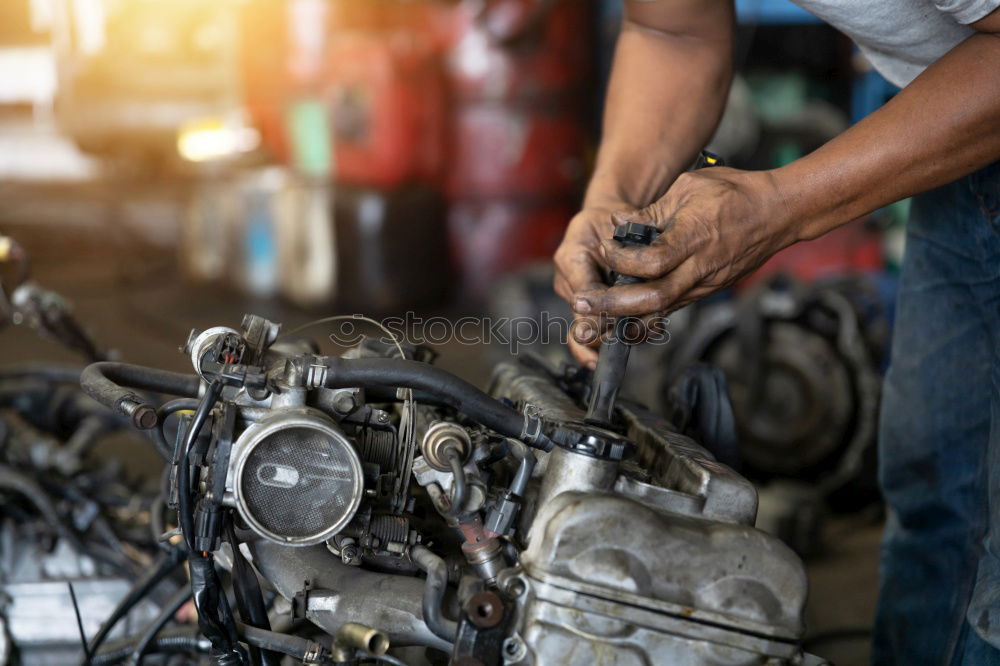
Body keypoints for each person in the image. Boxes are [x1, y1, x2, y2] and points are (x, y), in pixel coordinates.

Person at [552, 0, 1000, 663]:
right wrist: (611, 200)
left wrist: (780, 207)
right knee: (939, 492)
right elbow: (671, 29)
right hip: (966, 130)